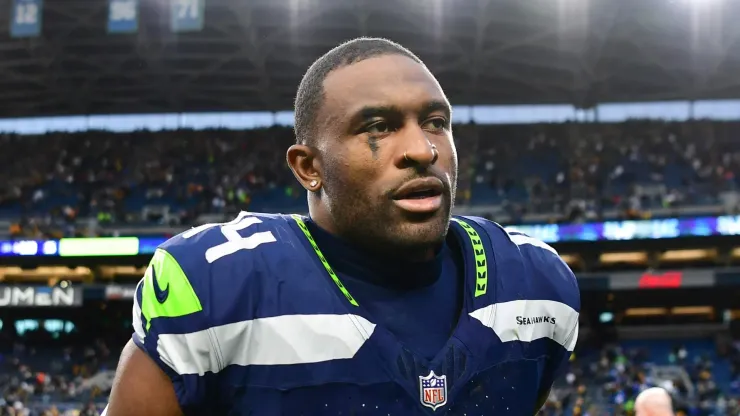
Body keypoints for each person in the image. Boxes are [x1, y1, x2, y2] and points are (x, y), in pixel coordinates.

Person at [103, 37, 580, 415]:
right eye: (378, 126)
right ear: (309, 167)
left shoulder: (537, 285)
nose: (422, 149)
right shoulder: (219, 284)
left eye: (435, 121)